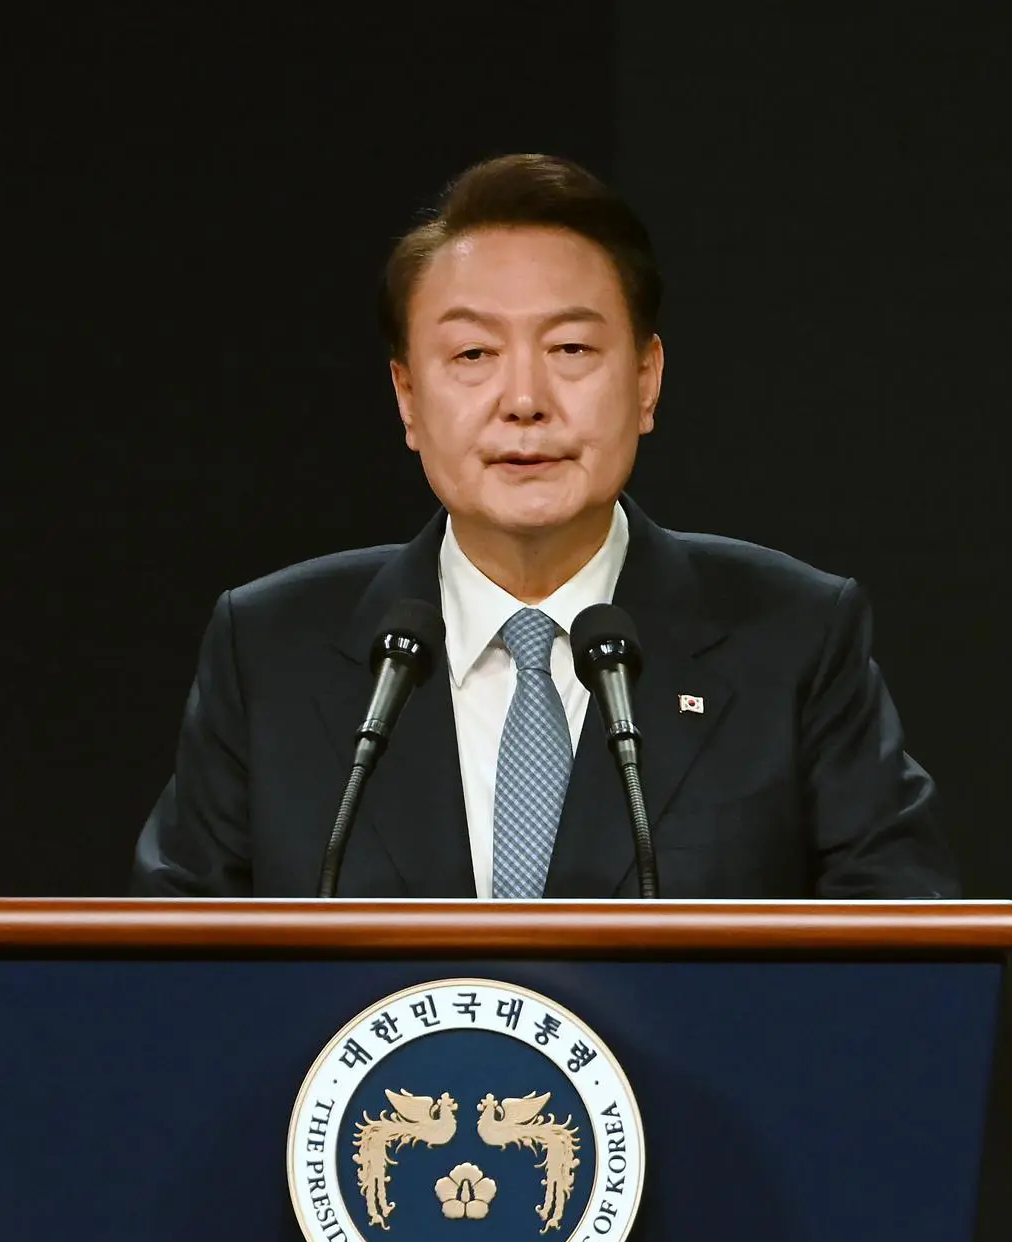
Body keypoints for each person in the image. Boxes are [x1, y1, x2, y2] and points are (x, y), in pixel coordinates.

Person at [132, 154, 956, 900]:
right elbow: (167, 969)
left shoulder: (792, 637)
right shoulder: (271, 650)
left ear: (646, 380)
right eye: (473, 356)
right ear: (408, 398)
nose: (524, 401)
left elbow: (906, 951)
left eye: (570, 349)